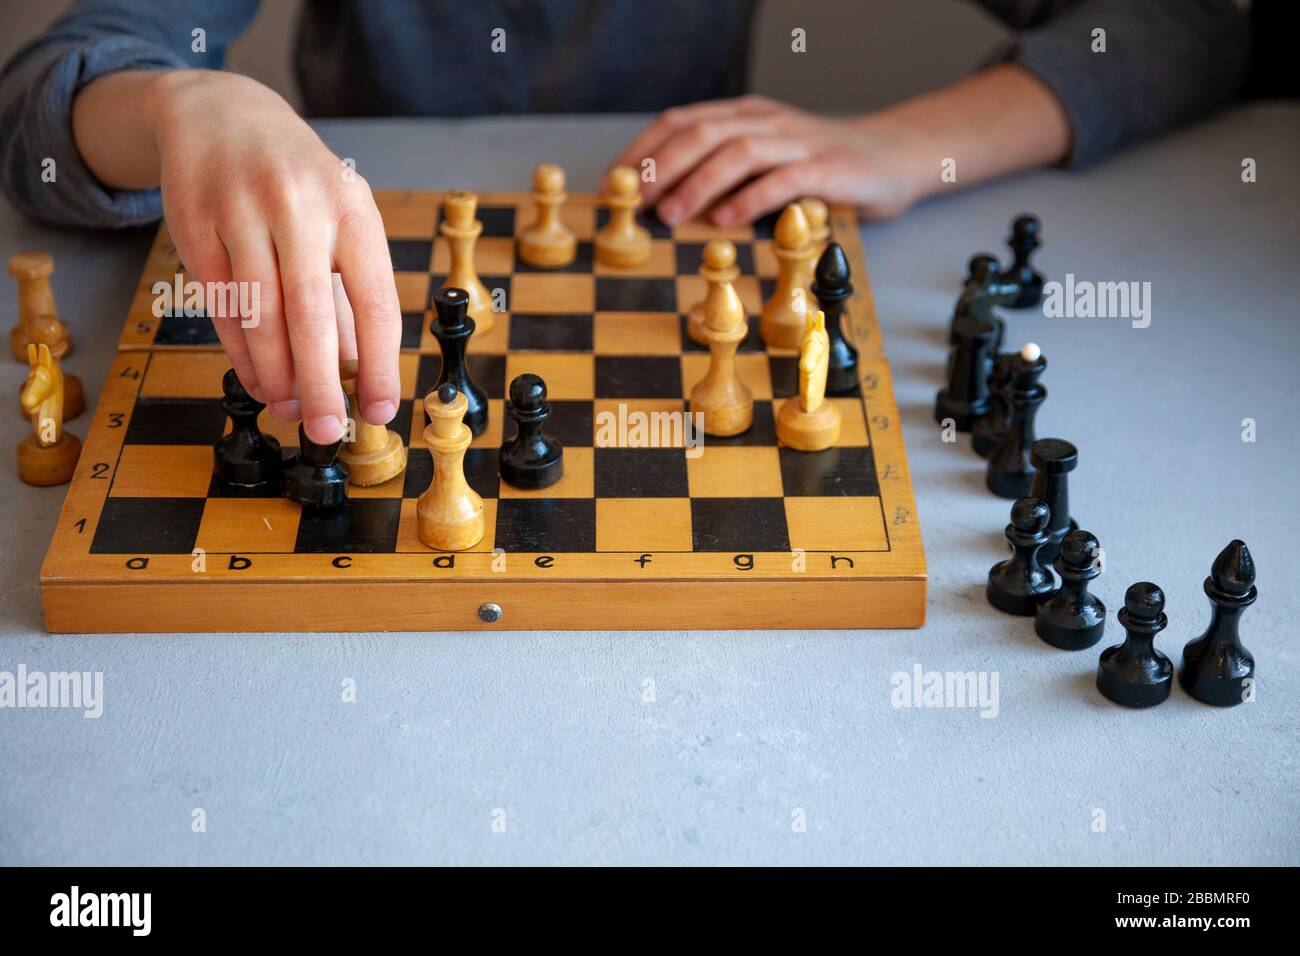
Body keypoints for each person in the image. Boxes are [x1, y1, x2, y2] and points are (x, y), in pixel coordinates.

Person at [0, 0, 1253, 444]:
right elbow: (44, 104)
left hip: (678, 235)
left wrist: (903, 143)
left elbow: (1195, 23)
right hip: (356, 239)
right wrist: (185, 103)